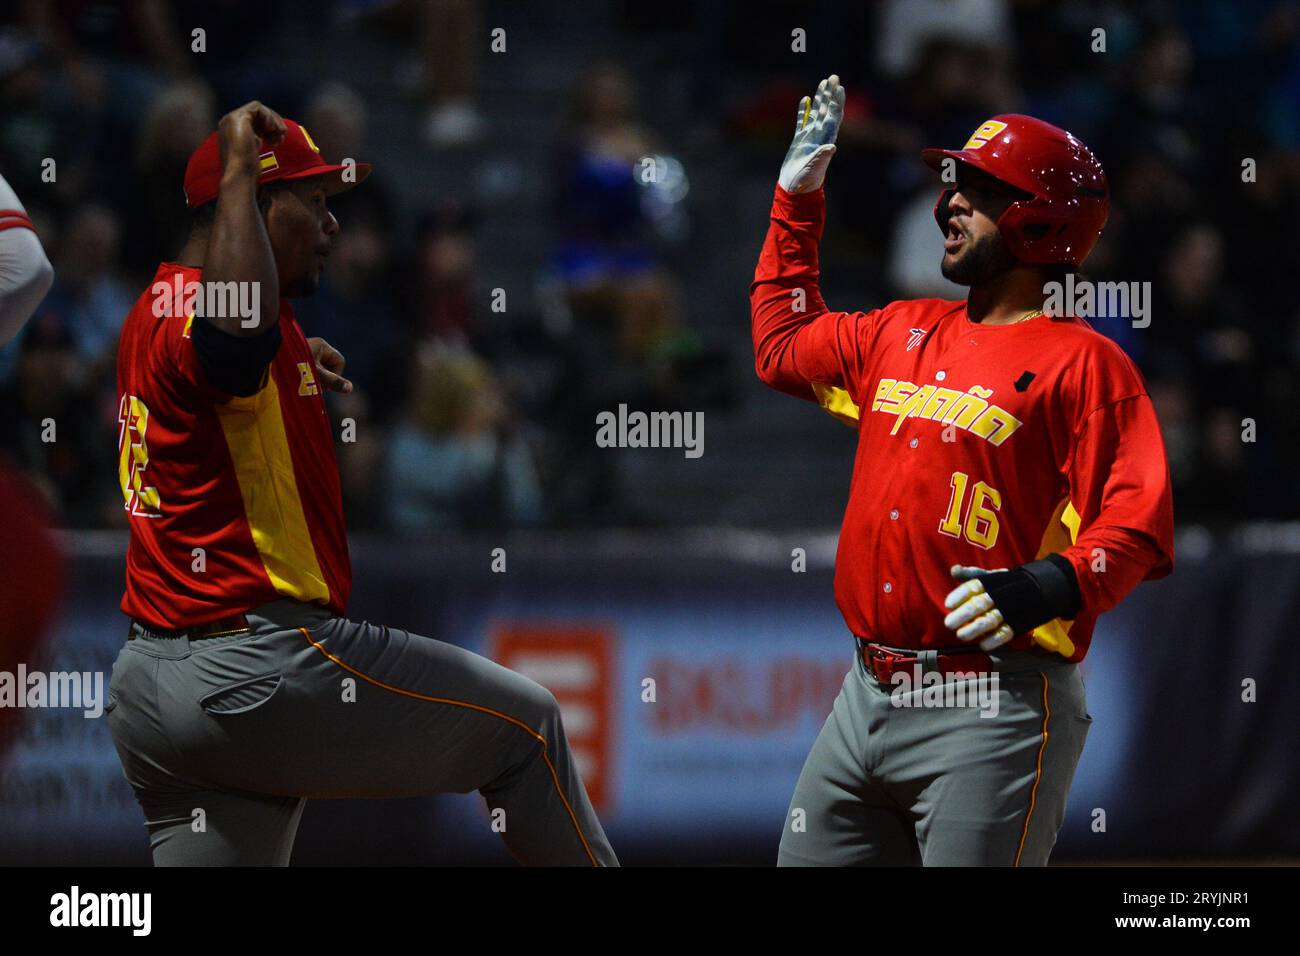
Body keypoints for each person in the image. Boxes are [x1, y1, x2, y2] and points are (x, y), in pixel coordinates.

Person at [105, 101, 616, 866]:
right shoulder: (217, 318)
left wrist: (292, 360)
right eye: (313, 203)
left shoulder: (154, 306)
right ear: (252, 205)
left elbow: (222, 379)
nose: (333, 224)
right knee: (527, 731)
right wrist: (243, 166)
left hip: (153, 686)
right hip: (256, 668)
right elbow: (227, 342)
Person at [752, 76, 1174, 865]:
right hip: (862, 698)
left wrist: (1050, 582)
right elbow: (780, 347)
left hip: (995, 704)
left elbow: (1137, 525)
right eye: (957, 187)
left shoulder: (1087, 365)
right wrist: (795, 201)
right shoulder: (900, 330)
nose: (949, 204)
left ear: (1041, 220)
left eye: (979, 192)